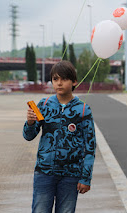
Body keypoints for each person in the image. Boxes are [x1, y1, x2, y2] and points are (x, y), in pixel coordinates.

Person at [23, 60, 96, 213]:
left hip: (71, 175)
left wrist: (85, 178)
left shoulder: (83, 110)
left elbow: (90, 147)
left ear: (74, 81)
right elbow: (29, 136)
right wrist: (30, 122)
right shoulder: (44, 105)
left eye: (64, 79)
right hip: (44, 172)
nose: (59, 83)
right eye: (55, 79)